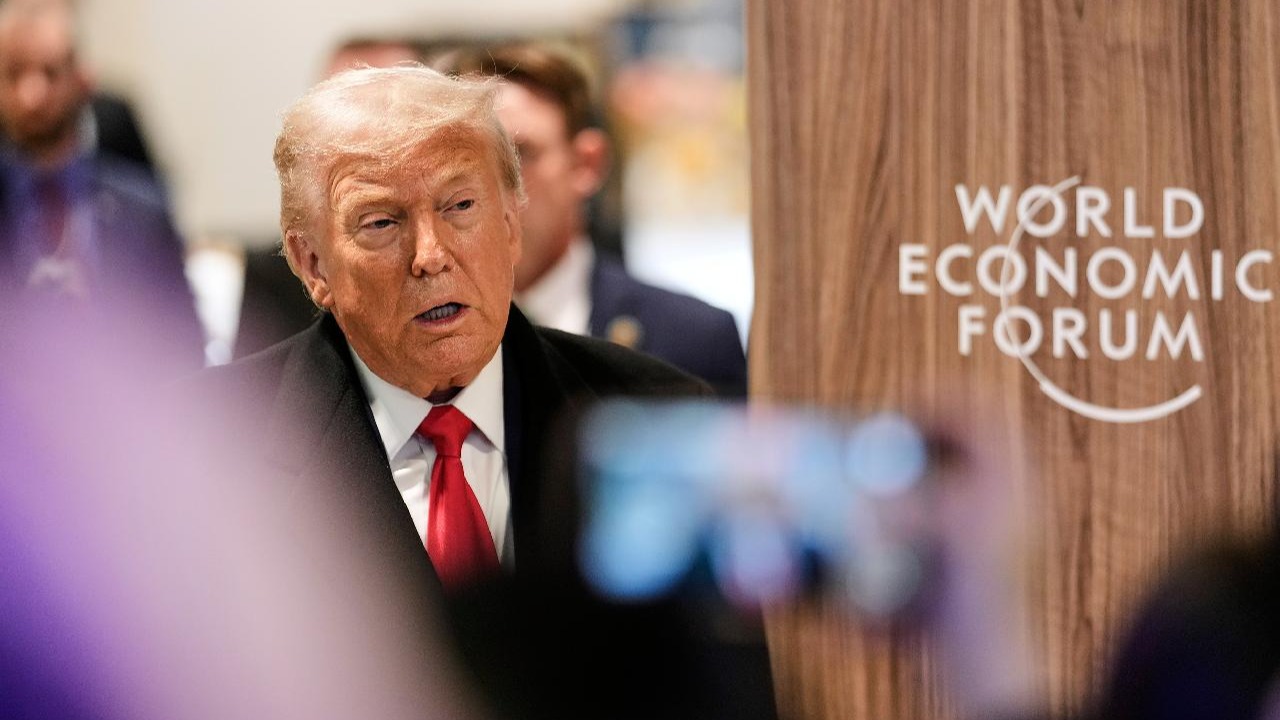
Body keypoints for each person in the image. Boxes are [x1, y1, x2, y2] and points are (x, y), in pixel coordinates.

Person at [191, 65, 776, 720]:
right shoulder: (205, 449)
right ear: (312, 264)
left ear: (510, 224)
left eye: (460, 207)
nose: (430, 255)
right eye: (381, 222)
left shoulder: (654, 416)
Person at [431, 42, 749, 397]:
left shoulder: (692, 340)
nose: (488, 186)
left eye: (520, 155)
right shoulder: (415, 340)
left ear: (586, 164)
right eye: (466, 161)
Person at [0, 0, 201, 368]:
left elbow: (185, 346)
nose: (32, 96)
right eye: (14, 74)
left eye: (50, 73)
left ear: (83, 77)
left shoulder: (145, 212)